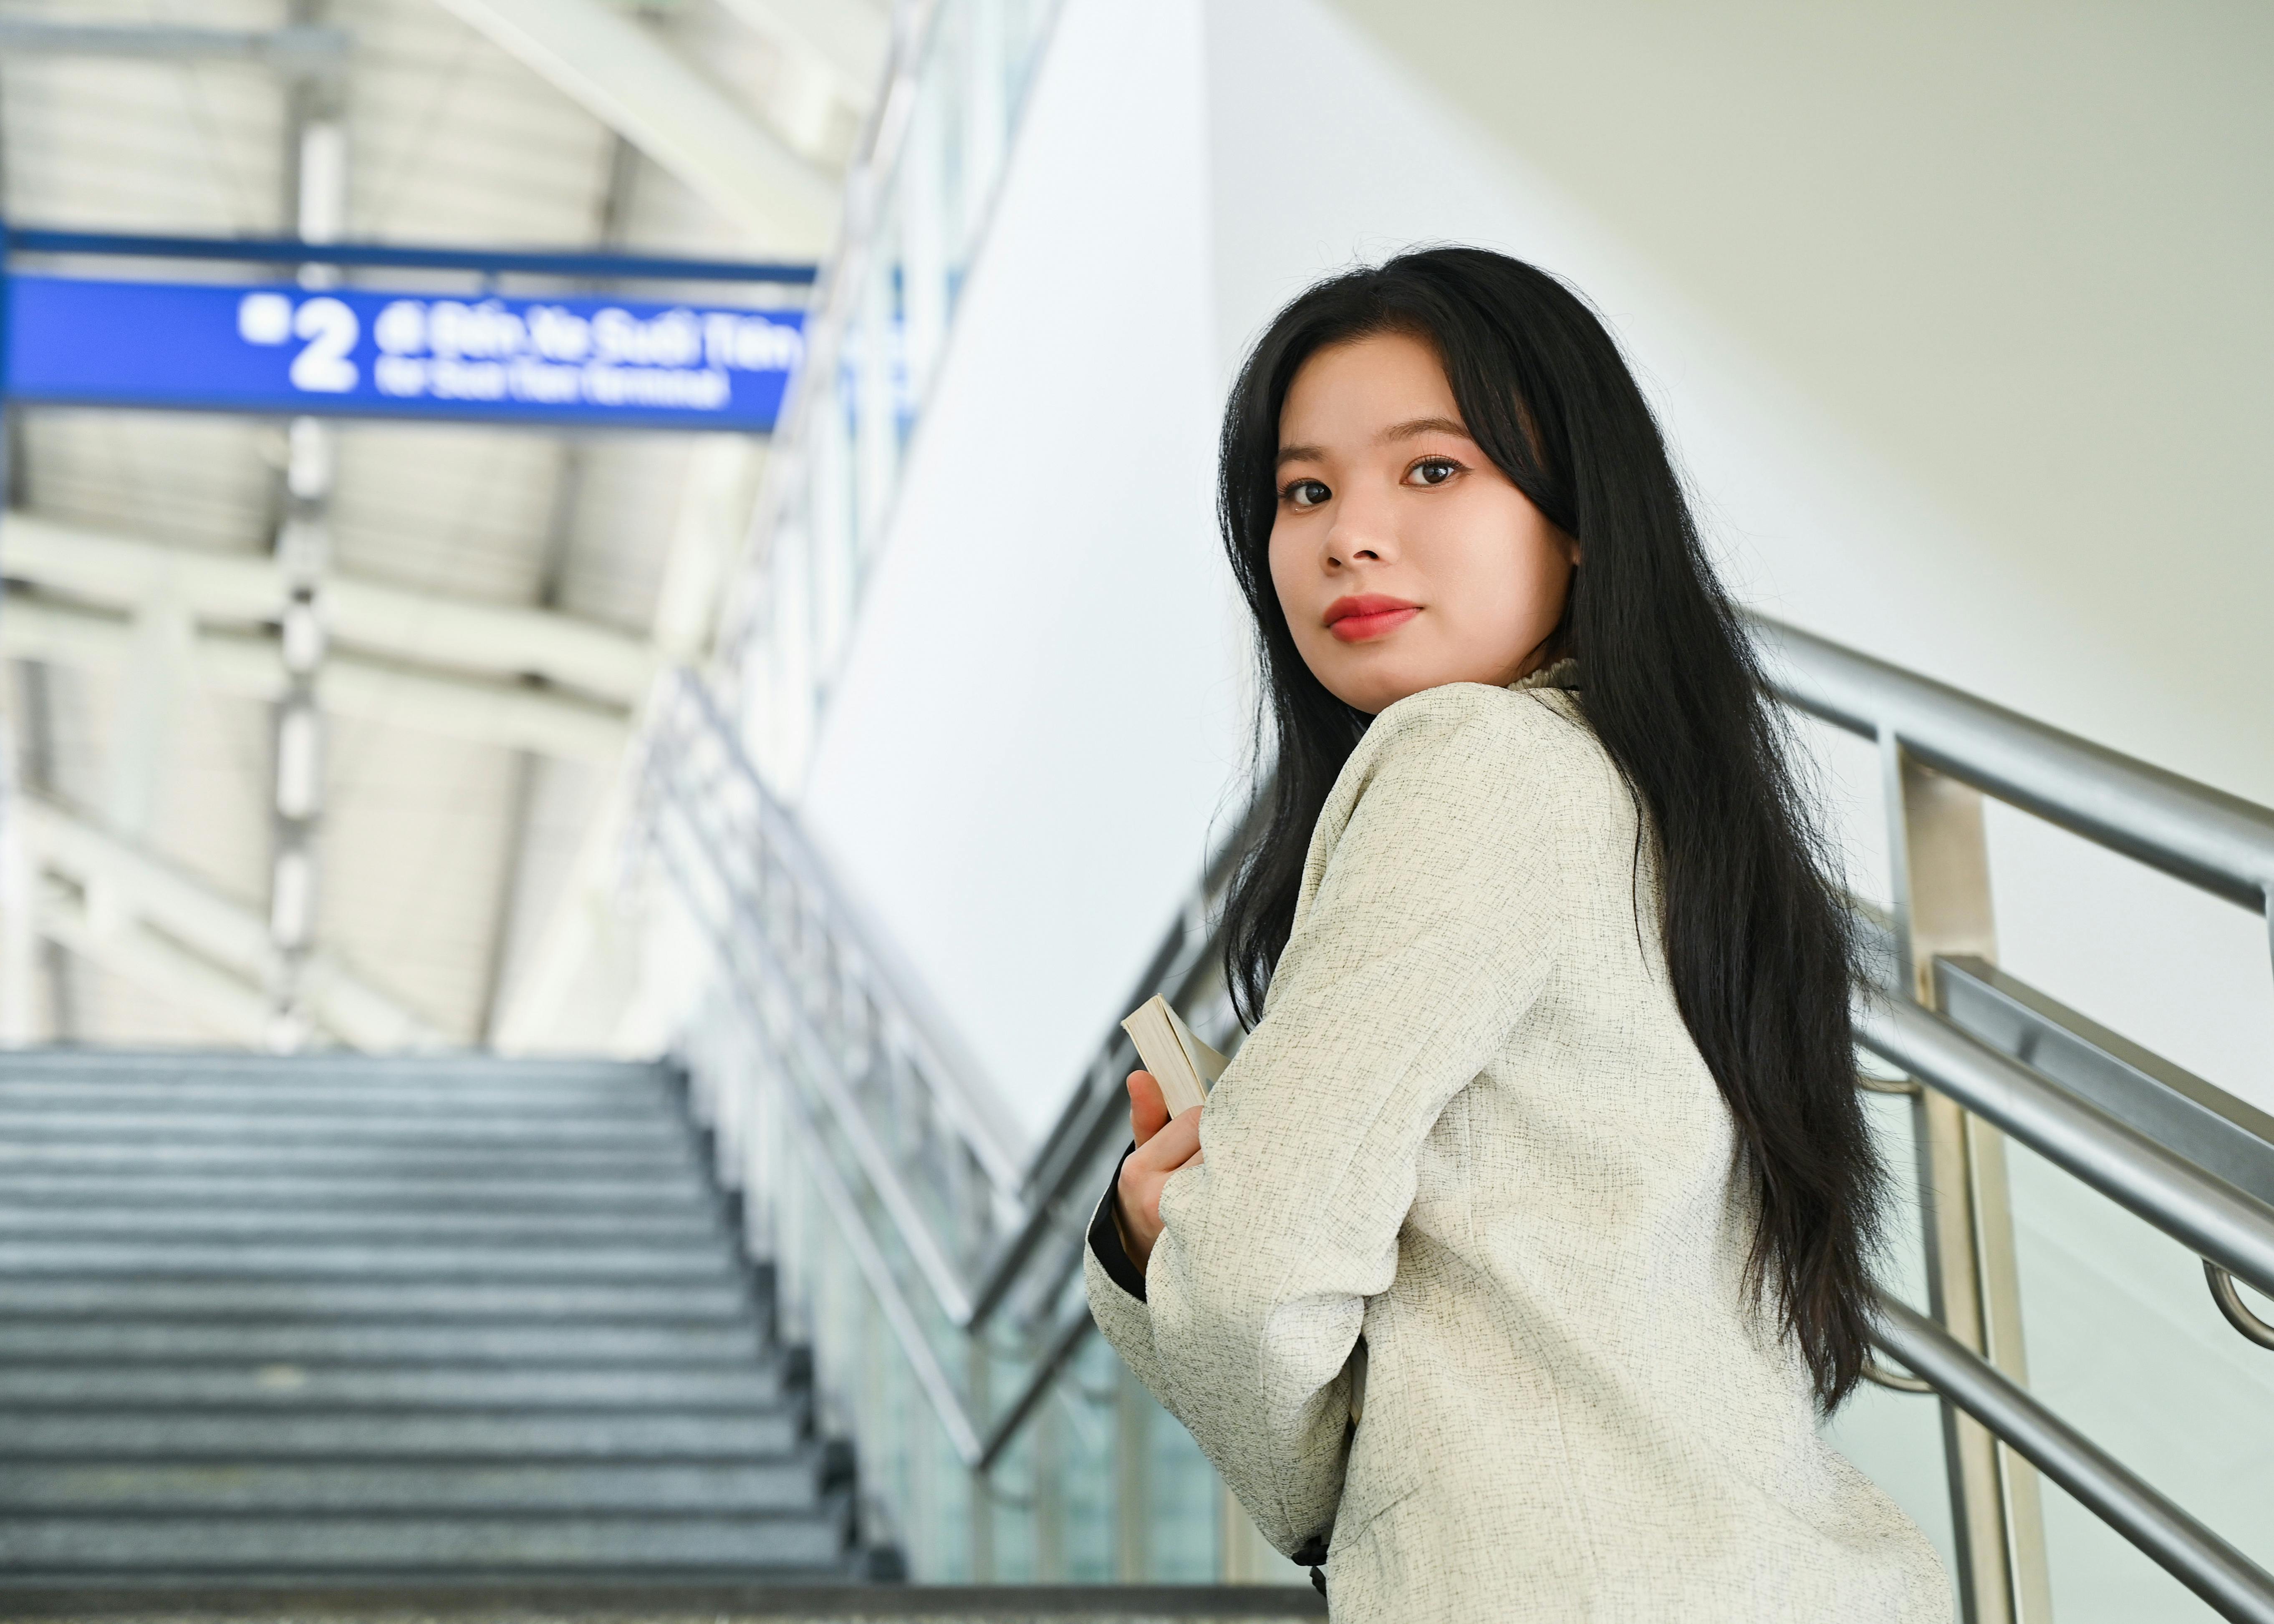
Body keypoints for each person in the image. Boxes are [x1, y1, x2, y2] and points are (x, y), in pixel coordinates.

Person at [1081, 247, 1949, 1621]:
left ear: (1579, 516)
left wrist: (1162, 1252)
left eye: (1432, 470)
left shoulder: (1469, 760)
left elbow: (1252, 1268)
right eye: (1303, 488)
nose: (1347, 534)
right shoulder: (1659, 803)